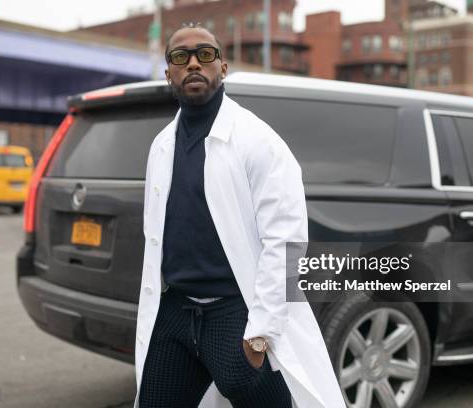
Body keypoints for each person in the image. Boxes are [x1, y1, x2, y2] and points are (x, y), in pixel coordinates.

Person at [134, 22, 345, 408]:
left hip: (236, 312)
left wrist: (259, 334)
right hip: (176, 312)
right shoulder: (161, 146)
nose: (194, 63)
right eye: (181, 57)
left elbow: (287, 242)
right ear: (169, 73)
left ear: (223, 67)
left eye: (206, 54)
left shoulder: (257, 140)